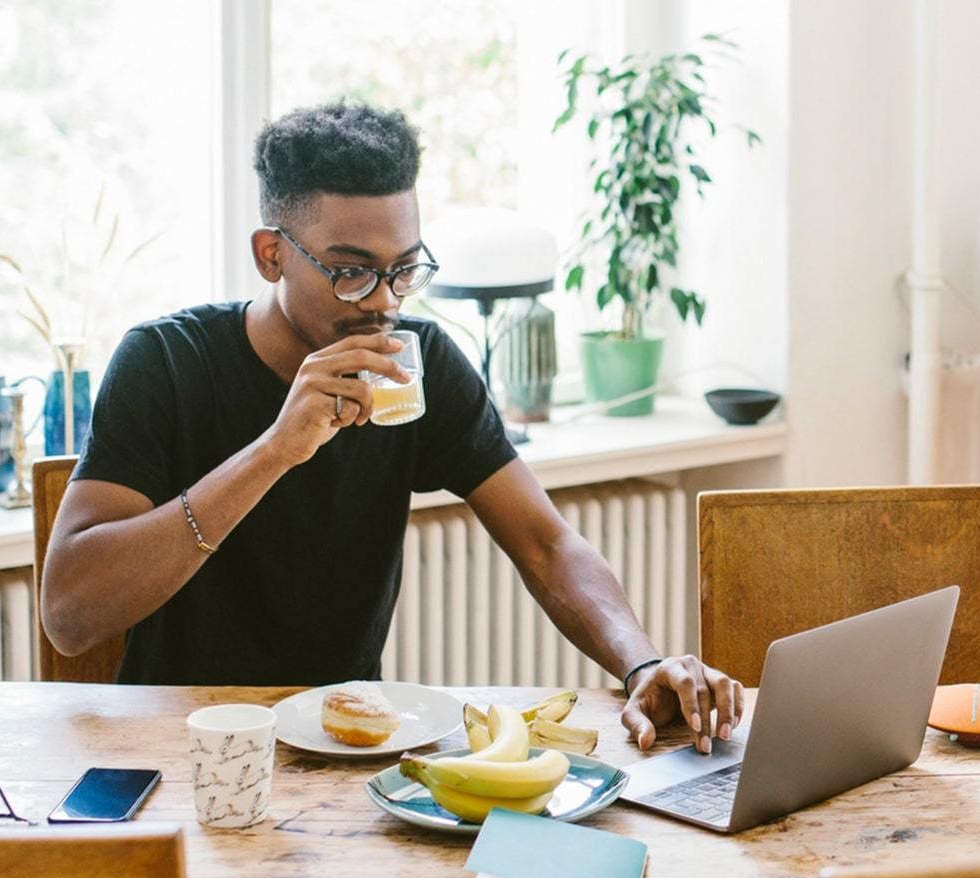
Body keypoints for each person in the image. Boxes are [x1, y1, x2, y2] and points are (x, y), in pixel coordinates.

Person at [40, 102, 740, 754]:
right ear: (271, 254)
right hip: (185, 739)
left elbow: (546, 544)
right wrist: (276, 450)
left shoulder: (423, 363)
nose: (382, 303)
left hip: (348, 740)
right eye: (350, 273)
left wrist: (640, 660)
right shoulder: (166, 362)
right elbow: (69, 617)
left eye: (404, 270)